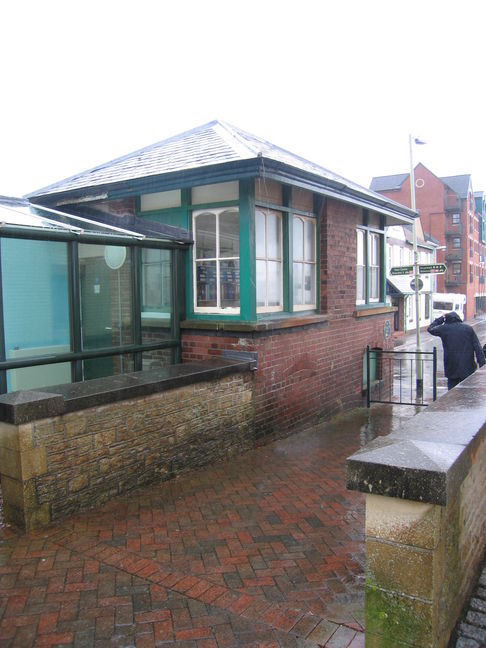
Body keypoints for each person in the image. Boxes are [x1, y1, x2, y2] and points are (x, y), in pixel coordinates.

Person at [427, 311, 485, 390]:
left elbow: (430, 329)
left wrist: (441, 319)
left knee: (452, 391)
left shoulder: (444, 329)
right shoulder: (468, 329)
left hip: (451, 366)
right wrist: (482, 364)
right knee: (467, 391)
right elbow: (477, 347)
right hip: (468, 367)